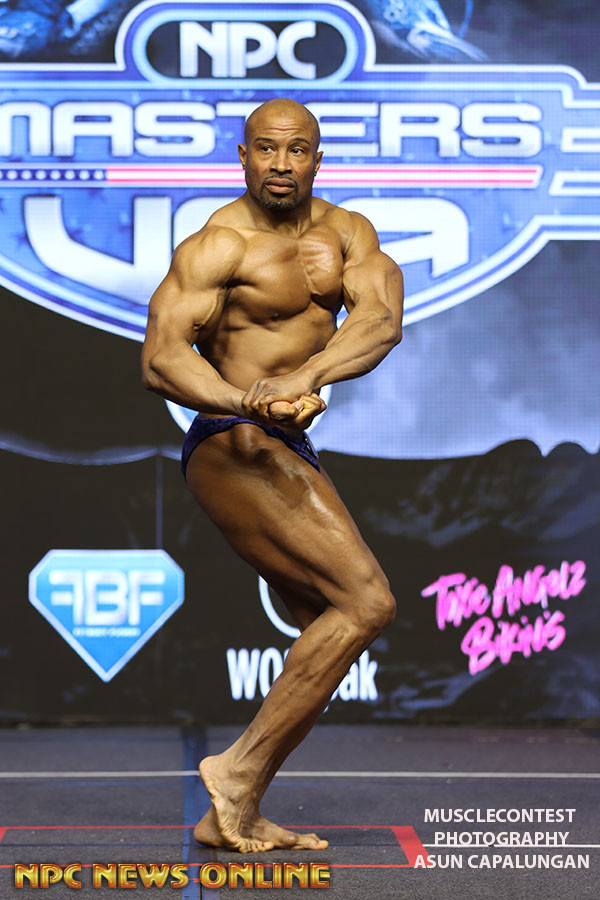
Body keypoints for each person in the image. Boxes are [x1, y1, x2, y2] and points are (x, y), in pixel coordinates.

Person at [141, 98, 404, 854]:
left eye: (296, 150)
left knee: (328, 626)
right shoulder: (219, 244)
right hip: (235, 439)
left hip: (286, 438)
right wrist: (246, 399)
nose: (281, 165)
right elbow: (160, 357)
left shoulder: (349, 234)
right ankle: (235, 774)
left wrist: (308, 376)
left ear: (318, 157)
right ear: (243, 155)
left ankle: (237, 809)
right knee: (366, 602)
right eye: (266, 149)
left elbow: (381, 320)